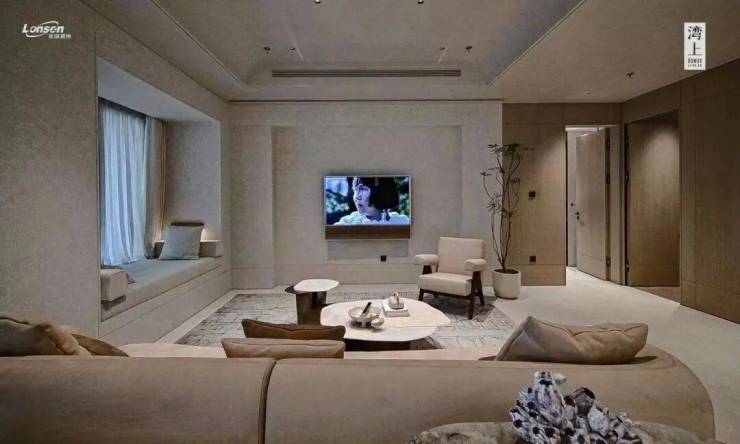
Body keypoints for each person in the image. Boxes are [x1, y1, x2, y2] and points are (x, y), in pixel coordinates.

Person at [334, 177, 410, 225]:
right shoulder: (348, 223)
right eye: (355, 190)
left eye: (363, 189)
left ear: (382, 191)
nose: (357, 197)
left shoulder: (403, 222)